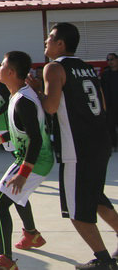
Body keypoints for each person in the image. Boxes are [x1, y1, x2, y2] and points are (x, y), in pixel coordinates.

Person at [27, 23, 118, 269]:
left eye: (50, 37)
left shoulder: (54, 68)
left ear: (60, 44)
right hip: (101, 141)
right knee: (96, 198)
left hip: (77, 147)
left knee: (76, 210)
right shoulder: (87, 68)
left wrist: (37, 90)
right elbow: (103, 106)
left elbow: (51, 107)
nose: (46, 41)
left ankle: (104, 260)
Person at [0, 51, 54, 270]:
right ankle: (31, 235)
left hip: (36, 160)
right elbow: (22, 130)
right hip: (27, 157)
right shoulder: (17, 95)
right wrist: (2, 137)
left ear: (11, 72)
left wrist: (24, 173)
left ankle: (5, 260)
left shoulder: (23, 101)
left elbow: (35, 139)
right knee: (14, 197)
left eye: (2, 65)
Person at [101, 53, 118, 151]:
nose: (110, 62)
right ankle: (113, 145)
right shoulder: (105, 74)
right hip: (110, 105)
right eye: (108, 60)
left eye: (112, 59)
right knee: (110, 125)